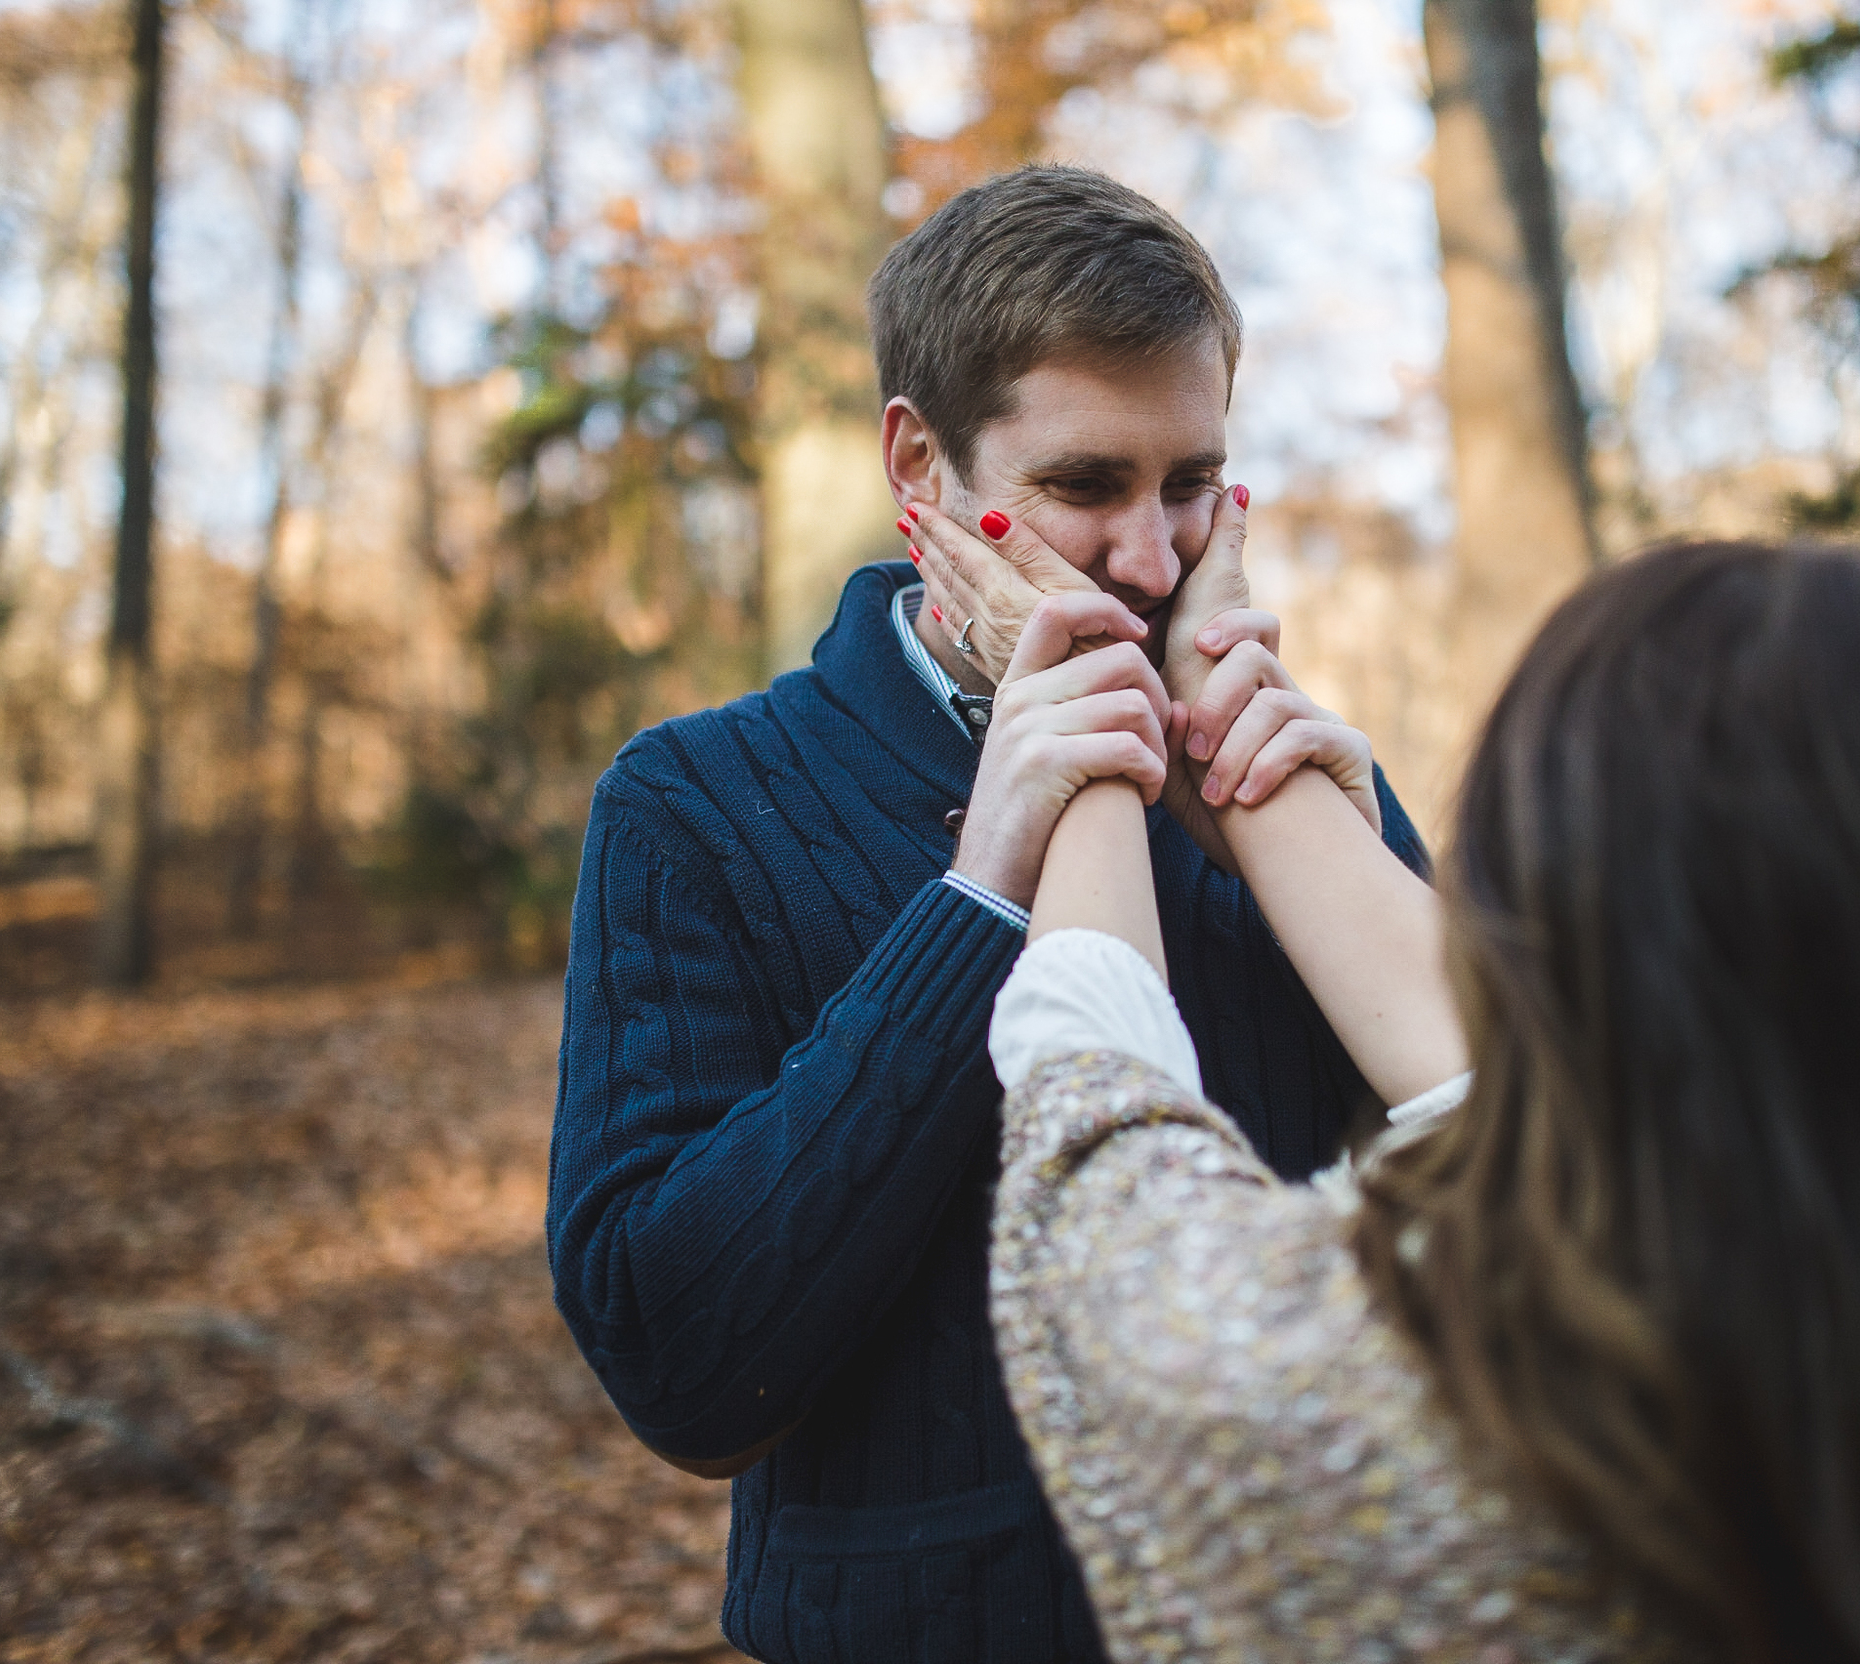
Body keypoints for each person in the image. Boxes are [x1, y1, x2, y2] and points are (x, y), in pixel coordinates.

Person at [985, 539, 1860, 1663]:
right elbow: (1526, 1101)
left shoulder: (1393, 1435)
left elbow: (1101, 1156)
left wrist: (1092, 735)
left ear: (1551, 925)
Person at [544, 164, 1426, 1663]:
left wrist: (1329, 843)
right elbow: (678, 1363)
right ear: (921, 465)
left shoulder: (1290, 781)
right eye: (1086, 488)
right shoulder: (693, 804)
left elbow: (1517, 1206)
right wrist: (977, 899)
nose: (1153, 563)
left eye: (1193, 485)